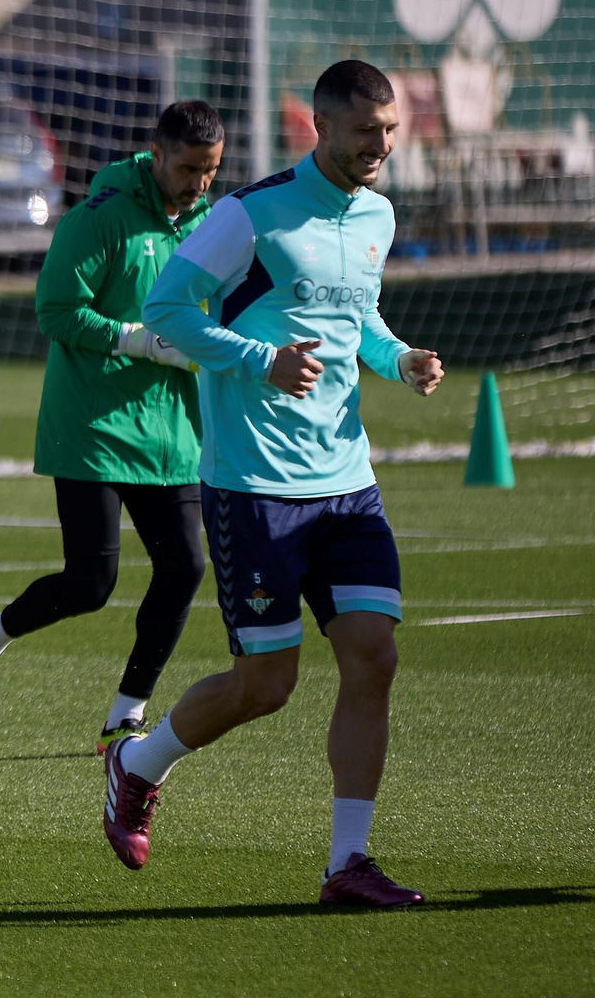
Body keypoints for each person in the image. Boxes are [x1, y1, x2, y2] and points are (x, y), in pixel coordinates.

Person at [107, 60, 444, 907]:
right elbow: (168, 311)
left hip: (347, 478)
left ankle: (347, 865)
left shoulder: (377, 215)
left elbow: (352, 314)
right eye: (366, 130)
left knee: (374, 655)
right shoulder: (248, 215)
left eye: (390, 129)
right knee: (268, 685)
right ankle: (136, 764)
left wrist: (395, 356)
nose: (381, 145)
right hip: (254, 485)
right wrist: (262, 361)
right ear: (321, 129)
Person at [0, 102, 224, 753]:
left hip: (170, 431)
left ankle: (125, 715)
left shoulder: (213, 224)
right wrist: (141, 341)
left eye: (210, 170)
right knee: (91, 585)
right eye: (188, 168)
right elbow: (55, 310)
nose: (199, 183)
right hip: (91, 427)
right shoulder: (98, 218)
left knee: (184, 567)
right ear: (156, 156)